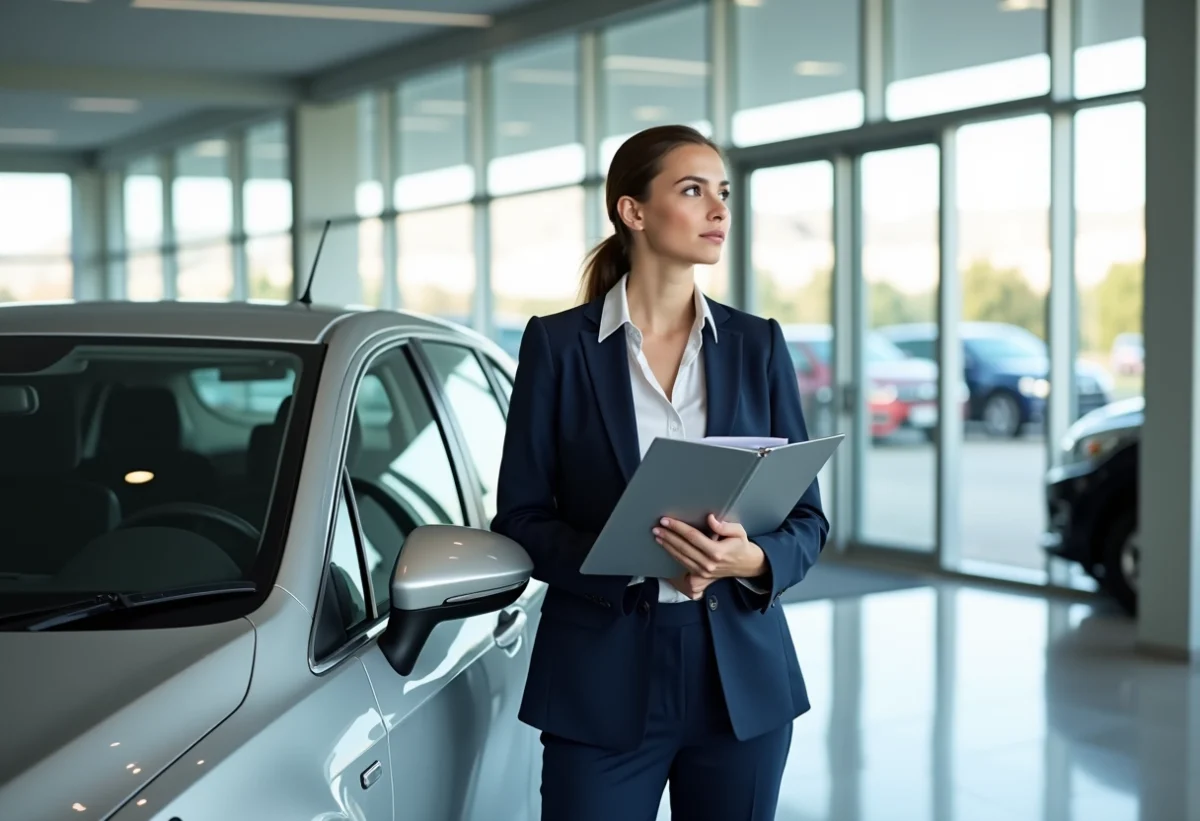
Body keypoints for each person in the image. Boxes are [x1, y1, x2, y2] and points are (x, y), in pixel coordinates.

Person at [490, 124, 829, 821]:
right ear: (633, 211)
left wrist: (751, 557)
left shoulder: (757, 342)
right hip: (599, 680)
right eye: (693, 189)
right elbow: (521, 516)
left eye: (723, 194)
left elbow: (809, 519)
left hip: (739, 677)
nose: (718, 210)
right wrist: (629, 558)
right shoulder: (557, 347)